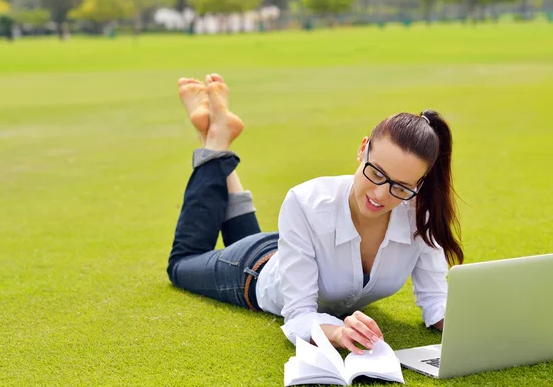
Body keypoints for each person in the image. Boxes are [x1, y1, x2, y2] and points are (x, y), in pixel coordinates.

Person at [167, 74, 463, 354]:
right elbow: (298, 316)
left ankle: (217, 136)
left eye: (401, 187)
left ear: (419, 184)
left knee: (258, 242)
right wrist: (336, 333)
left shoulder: (419, 215)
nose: (380, 195)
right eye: (376, 173)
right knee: (182, 264)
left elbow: (436, 302)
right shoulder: (307, 201)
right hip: (254, 270)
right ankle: (216, 142)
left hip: (291, 253)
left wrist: (472, 326)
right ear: (363, 149)